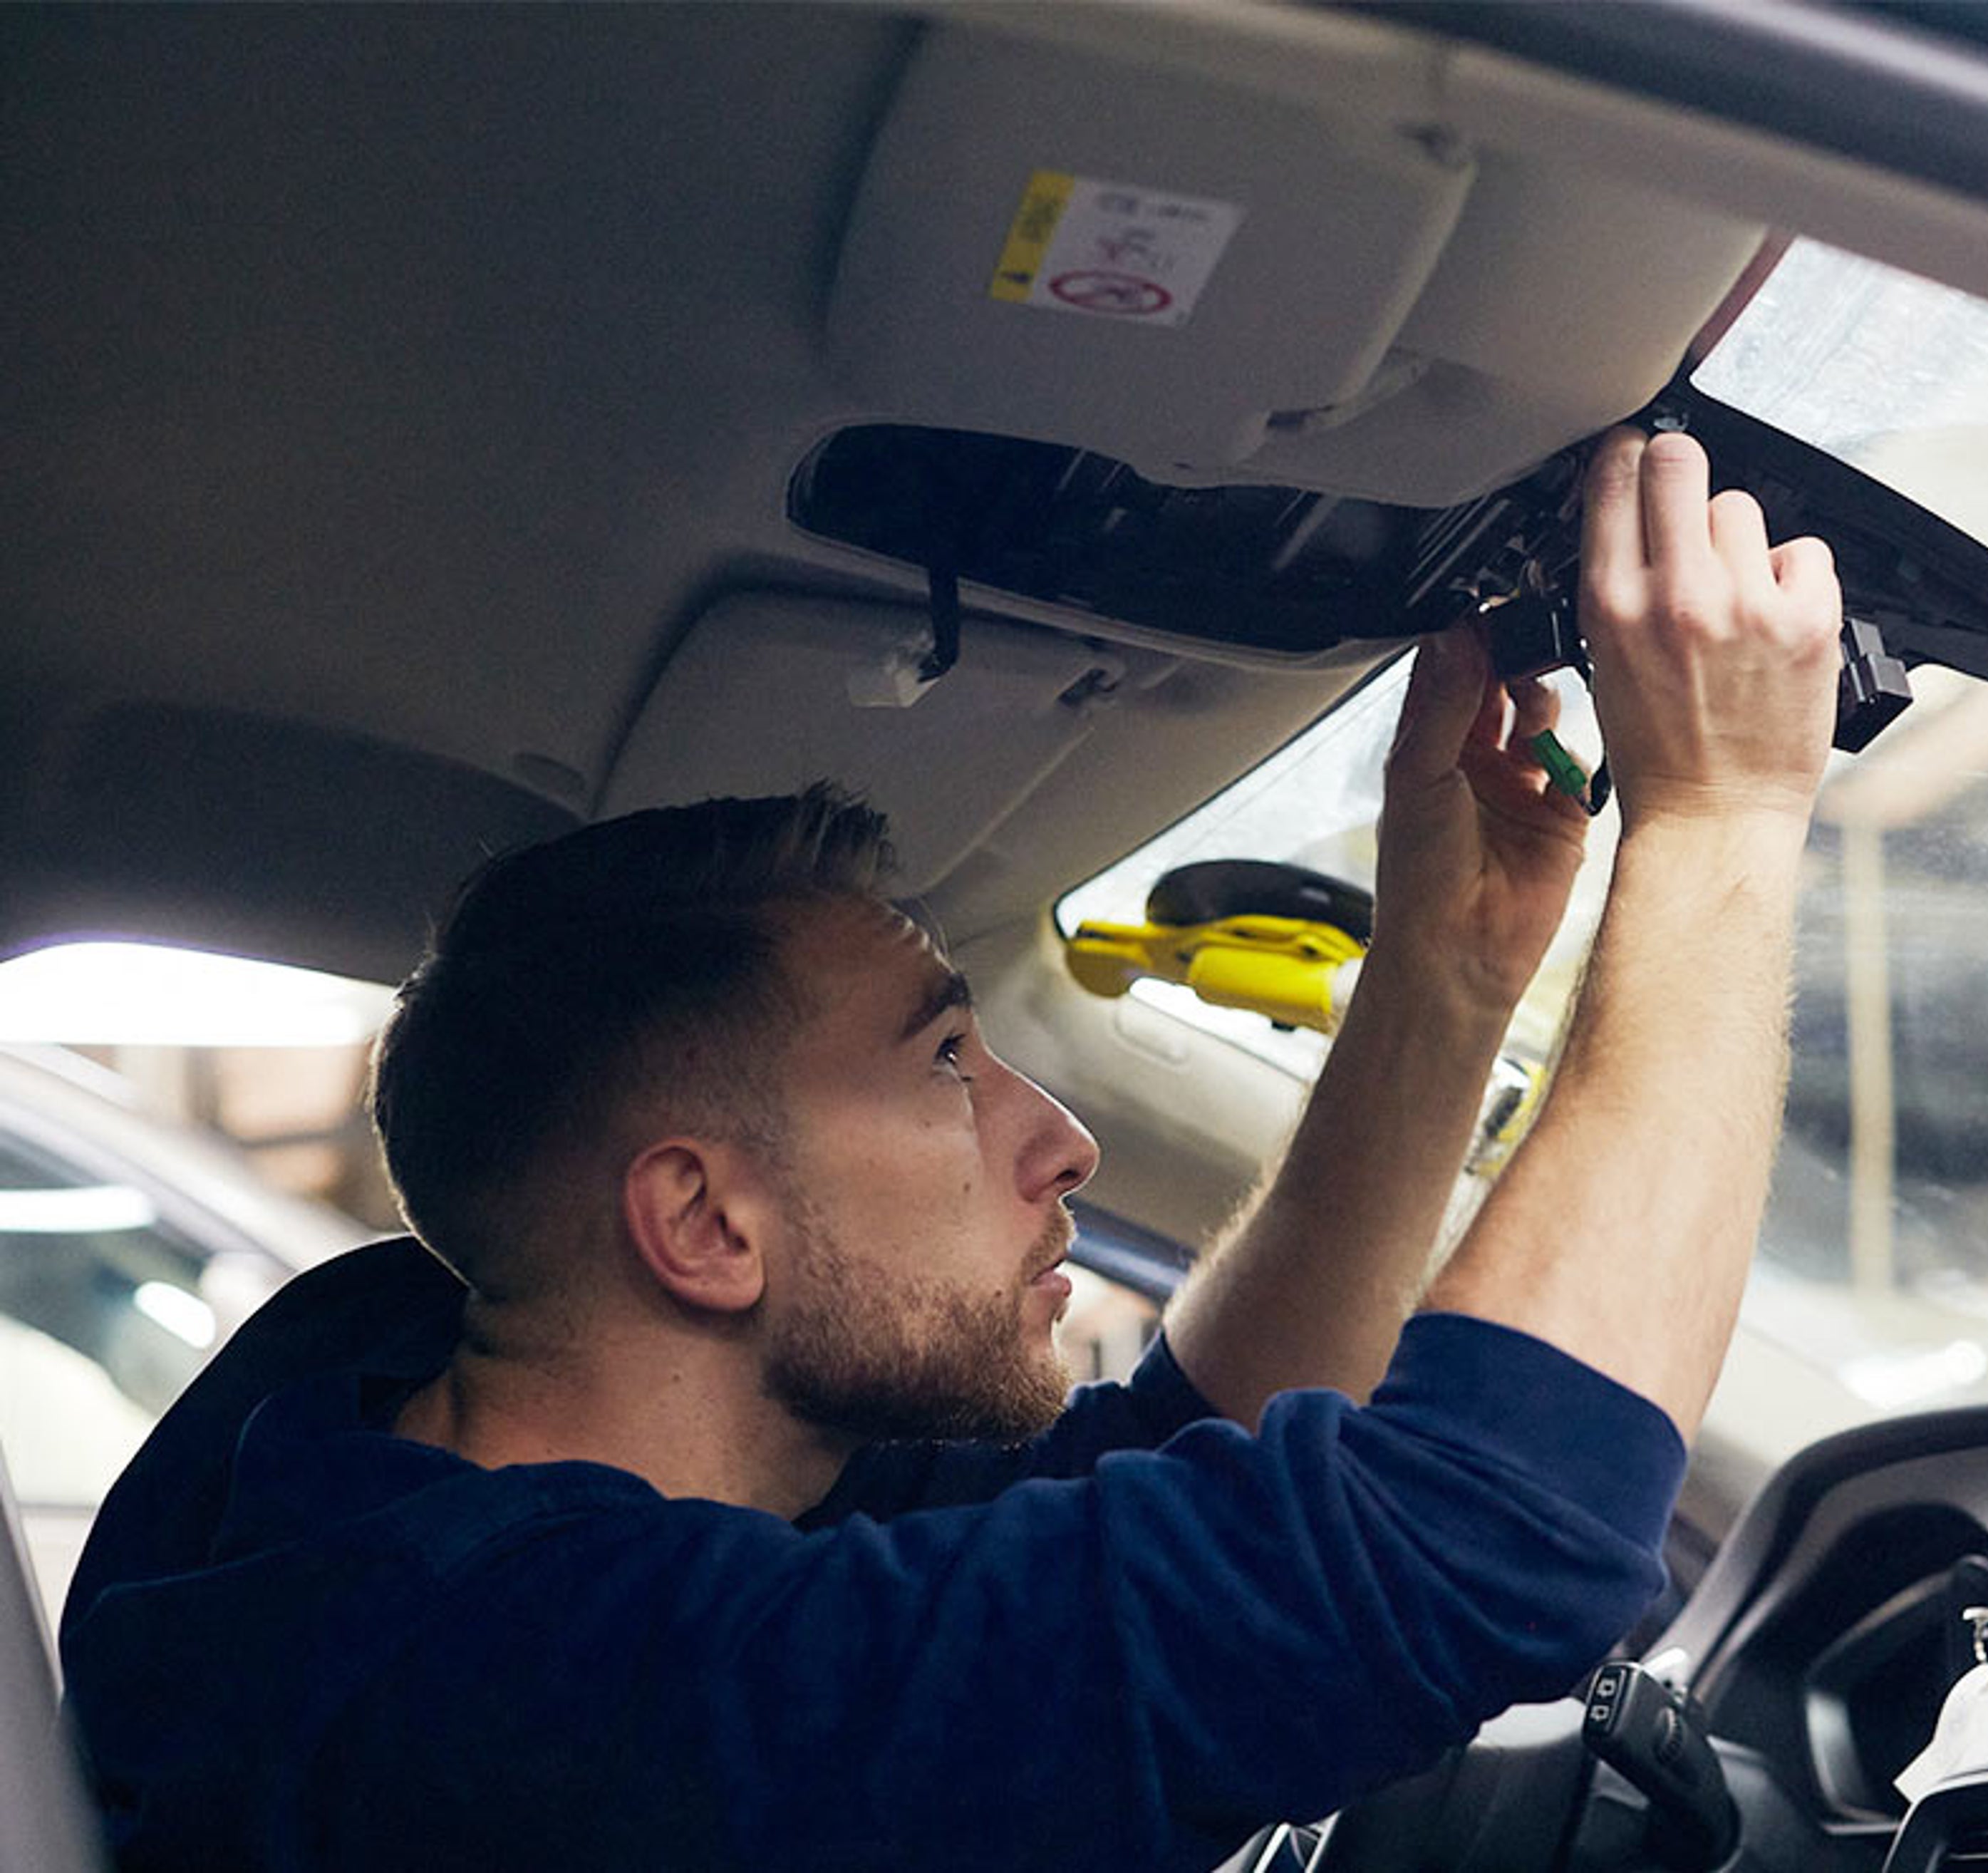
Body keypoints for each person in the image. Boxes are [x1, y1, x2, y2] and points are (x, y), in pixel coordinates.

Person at [58, 428, 1843, 1870]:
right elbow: (1483, 1544)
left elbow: (1182, 1454)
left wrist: (1443, 978)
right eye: (942, 1067)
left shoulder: (455, 1475)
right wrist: (1723, 814)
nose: (1061, 1139)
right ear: (702, 1222)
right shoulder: (546, 1703)